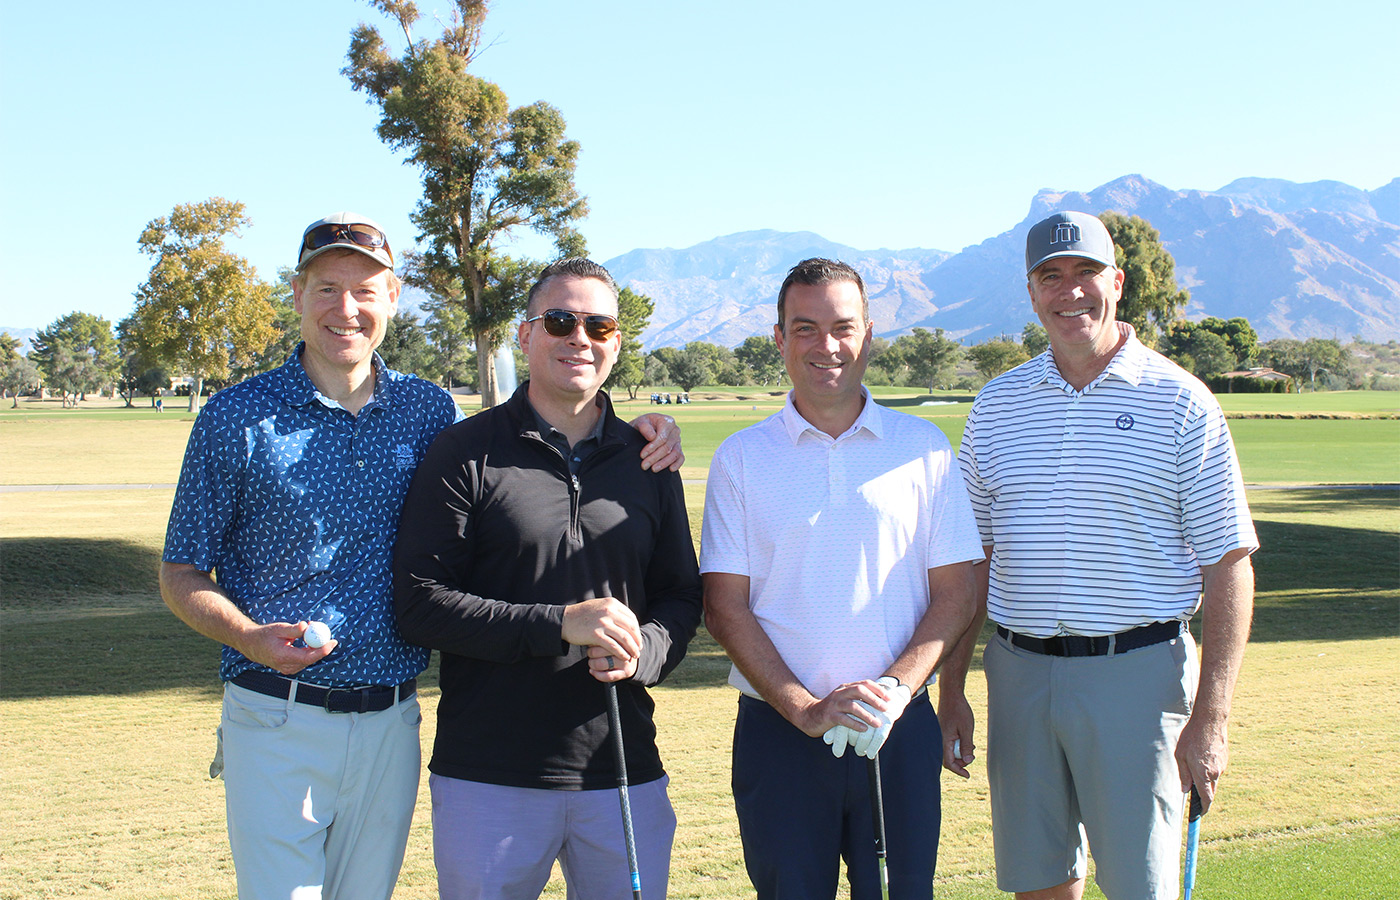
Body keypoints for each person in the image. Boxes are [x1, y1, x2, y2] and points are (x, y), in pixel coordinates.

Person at [159, 215, 683, 900]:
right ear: (296, 295)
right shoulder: (235, 417)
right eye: (326, 289)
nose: (346, 309)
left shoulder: (426, 410)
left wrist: (648, 426)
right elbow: (180, 570)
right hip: (276, 711)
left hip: (390, 720)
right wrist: (248, 637)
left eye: (365, 291)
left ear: (393, 299)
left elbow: (668, 583)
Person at [941, 211, 1258, 900]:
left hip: (1138, 680)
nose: (1070, 291)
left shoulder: (1182, 403)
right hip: (1019, 675)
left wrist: (1212, 719)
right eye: (1051, 276)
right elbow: (975, 560)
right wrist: (952, 686)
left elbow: (1228, 564)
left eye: (1085, 273)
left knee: (1140, 889)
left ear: (1117, 281)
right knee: (1038, 886)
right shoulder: (997, 406)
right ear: (1032, 293)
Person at [392, 257, 703, 900]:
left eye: (599, 324)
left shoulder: (650, 459)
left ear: (617, 342)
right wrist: (559, 625)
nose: (579, 338)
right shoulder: (463, 452)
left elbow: (681, 594)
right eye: (560, 321)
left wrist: (646, 651)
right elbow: (420, 605)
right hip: (488, 776)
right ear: (525, 336)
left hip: (621, 768)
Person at [701, 257, 983, 900]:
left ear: (868, 334)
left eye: (842, 327)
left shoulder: (924, 447)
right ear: (778, 339)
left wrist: (894, 690)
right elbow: (725, 607)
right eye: (804, 328)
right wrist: (805, 710)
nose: (826, 346)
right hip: (779, 733)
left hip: (897, 728)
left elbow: (957, 592)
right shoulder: (742, 457)